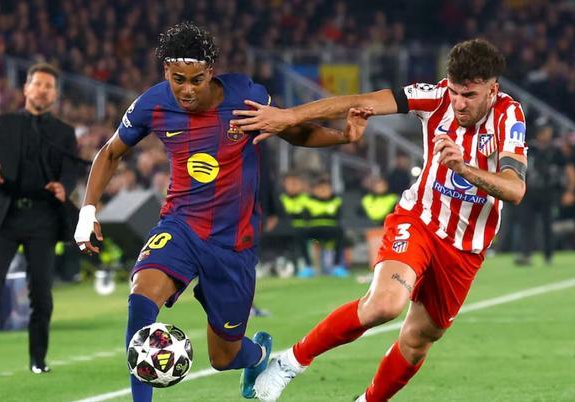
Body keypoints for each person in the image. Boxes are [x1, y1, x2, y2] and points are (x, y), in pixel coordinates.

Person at [72, 22, 370, 402]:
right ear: (166, 71)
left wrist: (343, 136)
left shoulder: (245, 96)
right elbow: (111, 151)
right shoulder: (152, 104)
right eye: (178, 79)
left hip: (233, 242)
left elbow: (293, 131)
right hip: (180, 225)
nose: (187, 90)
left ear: (211, 72)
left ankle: (257, 355)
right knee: (141, 300)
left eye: (196, 80)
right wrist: (88, 211)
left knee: (223, 356)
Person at [233, 38, 528, 401]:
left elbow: (515, 189)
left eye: (469, 95)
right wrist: (289, 116)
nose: (458, 103)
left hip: (465, 248)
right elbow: (361, 101)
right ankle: (289, 363)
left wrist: (463, 168)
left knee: (418, 340)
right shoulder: (434, 98)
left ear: (492, 90)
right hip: (419, 221)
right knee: (385, 304)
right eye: (454, 91)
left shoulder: (509, 116)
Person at [0, 63, 79, 376]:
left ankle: (38, 359)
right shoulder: (3, 123)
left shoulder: (65, 133)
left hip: (43, 218)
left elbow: (72, 170)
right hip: (4, 214)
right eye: (37, 84)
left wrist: (64, 186)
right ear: (26, 88)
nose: (42, 90)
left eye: (48, 86)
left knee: (41, 292)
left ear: (55, 94)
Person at [514, 119, 564, 266]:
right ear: (538, 133)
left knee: (547, 224)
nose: (546, 134)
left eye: (548, 131)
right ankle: (526, 254)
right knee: (526, 223)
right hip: (529, 192)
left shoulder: (555, 150)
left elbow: (564, 169)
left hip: (548, 192)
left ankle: (548, 254)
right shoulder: (529, 148)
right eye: (544, 131)